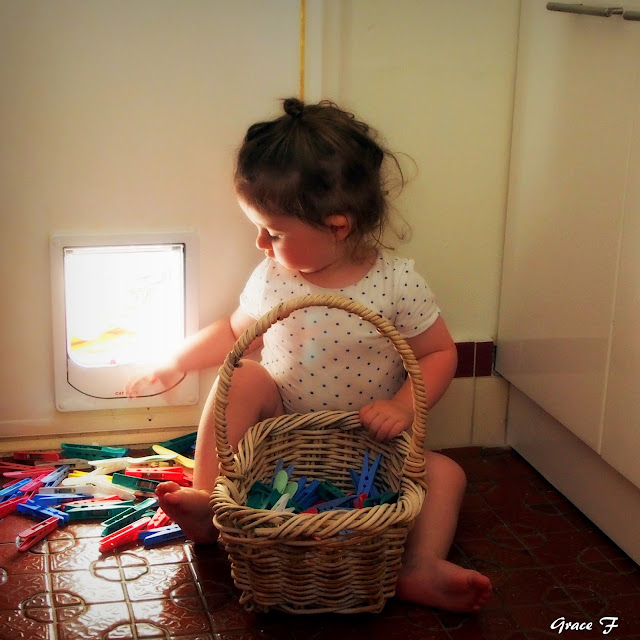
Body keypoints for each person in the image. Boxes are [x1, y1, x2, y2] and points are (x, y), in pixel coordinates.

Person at [127, 98, 492, 613]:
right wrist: (176, 361)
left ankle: (419, 566)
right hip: (282, 435)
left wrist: (403, 408)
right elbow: (234, 334)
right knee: (244, 376)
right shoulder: (273, 277)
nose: (260, 243)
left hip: (370, 445)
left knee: (447, 474)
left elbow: (437, 353)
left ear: (338, 225)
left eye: (273, 232)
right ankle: (210, 504)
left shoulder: (396, 283)